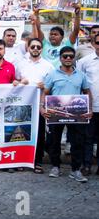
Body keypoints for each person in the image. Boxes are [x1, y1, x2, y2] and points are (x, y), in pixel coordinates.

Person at [41, 46, 92, 182]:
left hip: (76, 114)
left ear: (74, 58)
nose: (68, 58)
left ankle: (75, 170)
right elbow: (45, 92)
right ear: (60, 58)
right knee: (54, 142)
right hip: (55, 114)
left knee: (77, 142)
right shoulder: (52, 74)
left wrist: (89, 109)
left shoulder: (81, 75)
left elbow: (87, 92)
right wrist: (42, 108)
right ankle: (55, 166)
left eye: (71, 56)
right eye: (65, 56)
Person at [15, 38, 54, 174]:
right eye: (33, 47)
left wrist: (46, 85)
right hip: (23, 105)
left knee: (39, 134)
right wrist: (20, 82)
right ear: (28, 48)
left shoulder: (48, 66)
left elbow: (52, 86)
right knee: (20, 133)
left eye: (38, 47)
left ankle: (37, 161)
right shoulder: (20, 65)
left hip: (40, 105)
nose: (36, 49)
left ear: (41, 49)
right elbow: (15, 81)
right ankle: (20, 160)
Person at [76, 33, 99, 176]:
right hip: (91, 106)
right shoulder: (84, 61)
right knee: (88, 138)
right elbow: (79, 83)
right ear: (93, 43)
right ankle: (87, 165)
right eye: (98, 42)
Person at [32, 4, 81, 68]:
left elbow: (76, 31)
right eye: (51, 34)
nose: (52, 36)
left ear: (62, 37)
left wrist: (77, 15)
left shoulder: (67, 46)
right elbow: (38, 29)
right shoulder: (44, 44)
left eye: (55, 34)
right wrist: (36, 14)